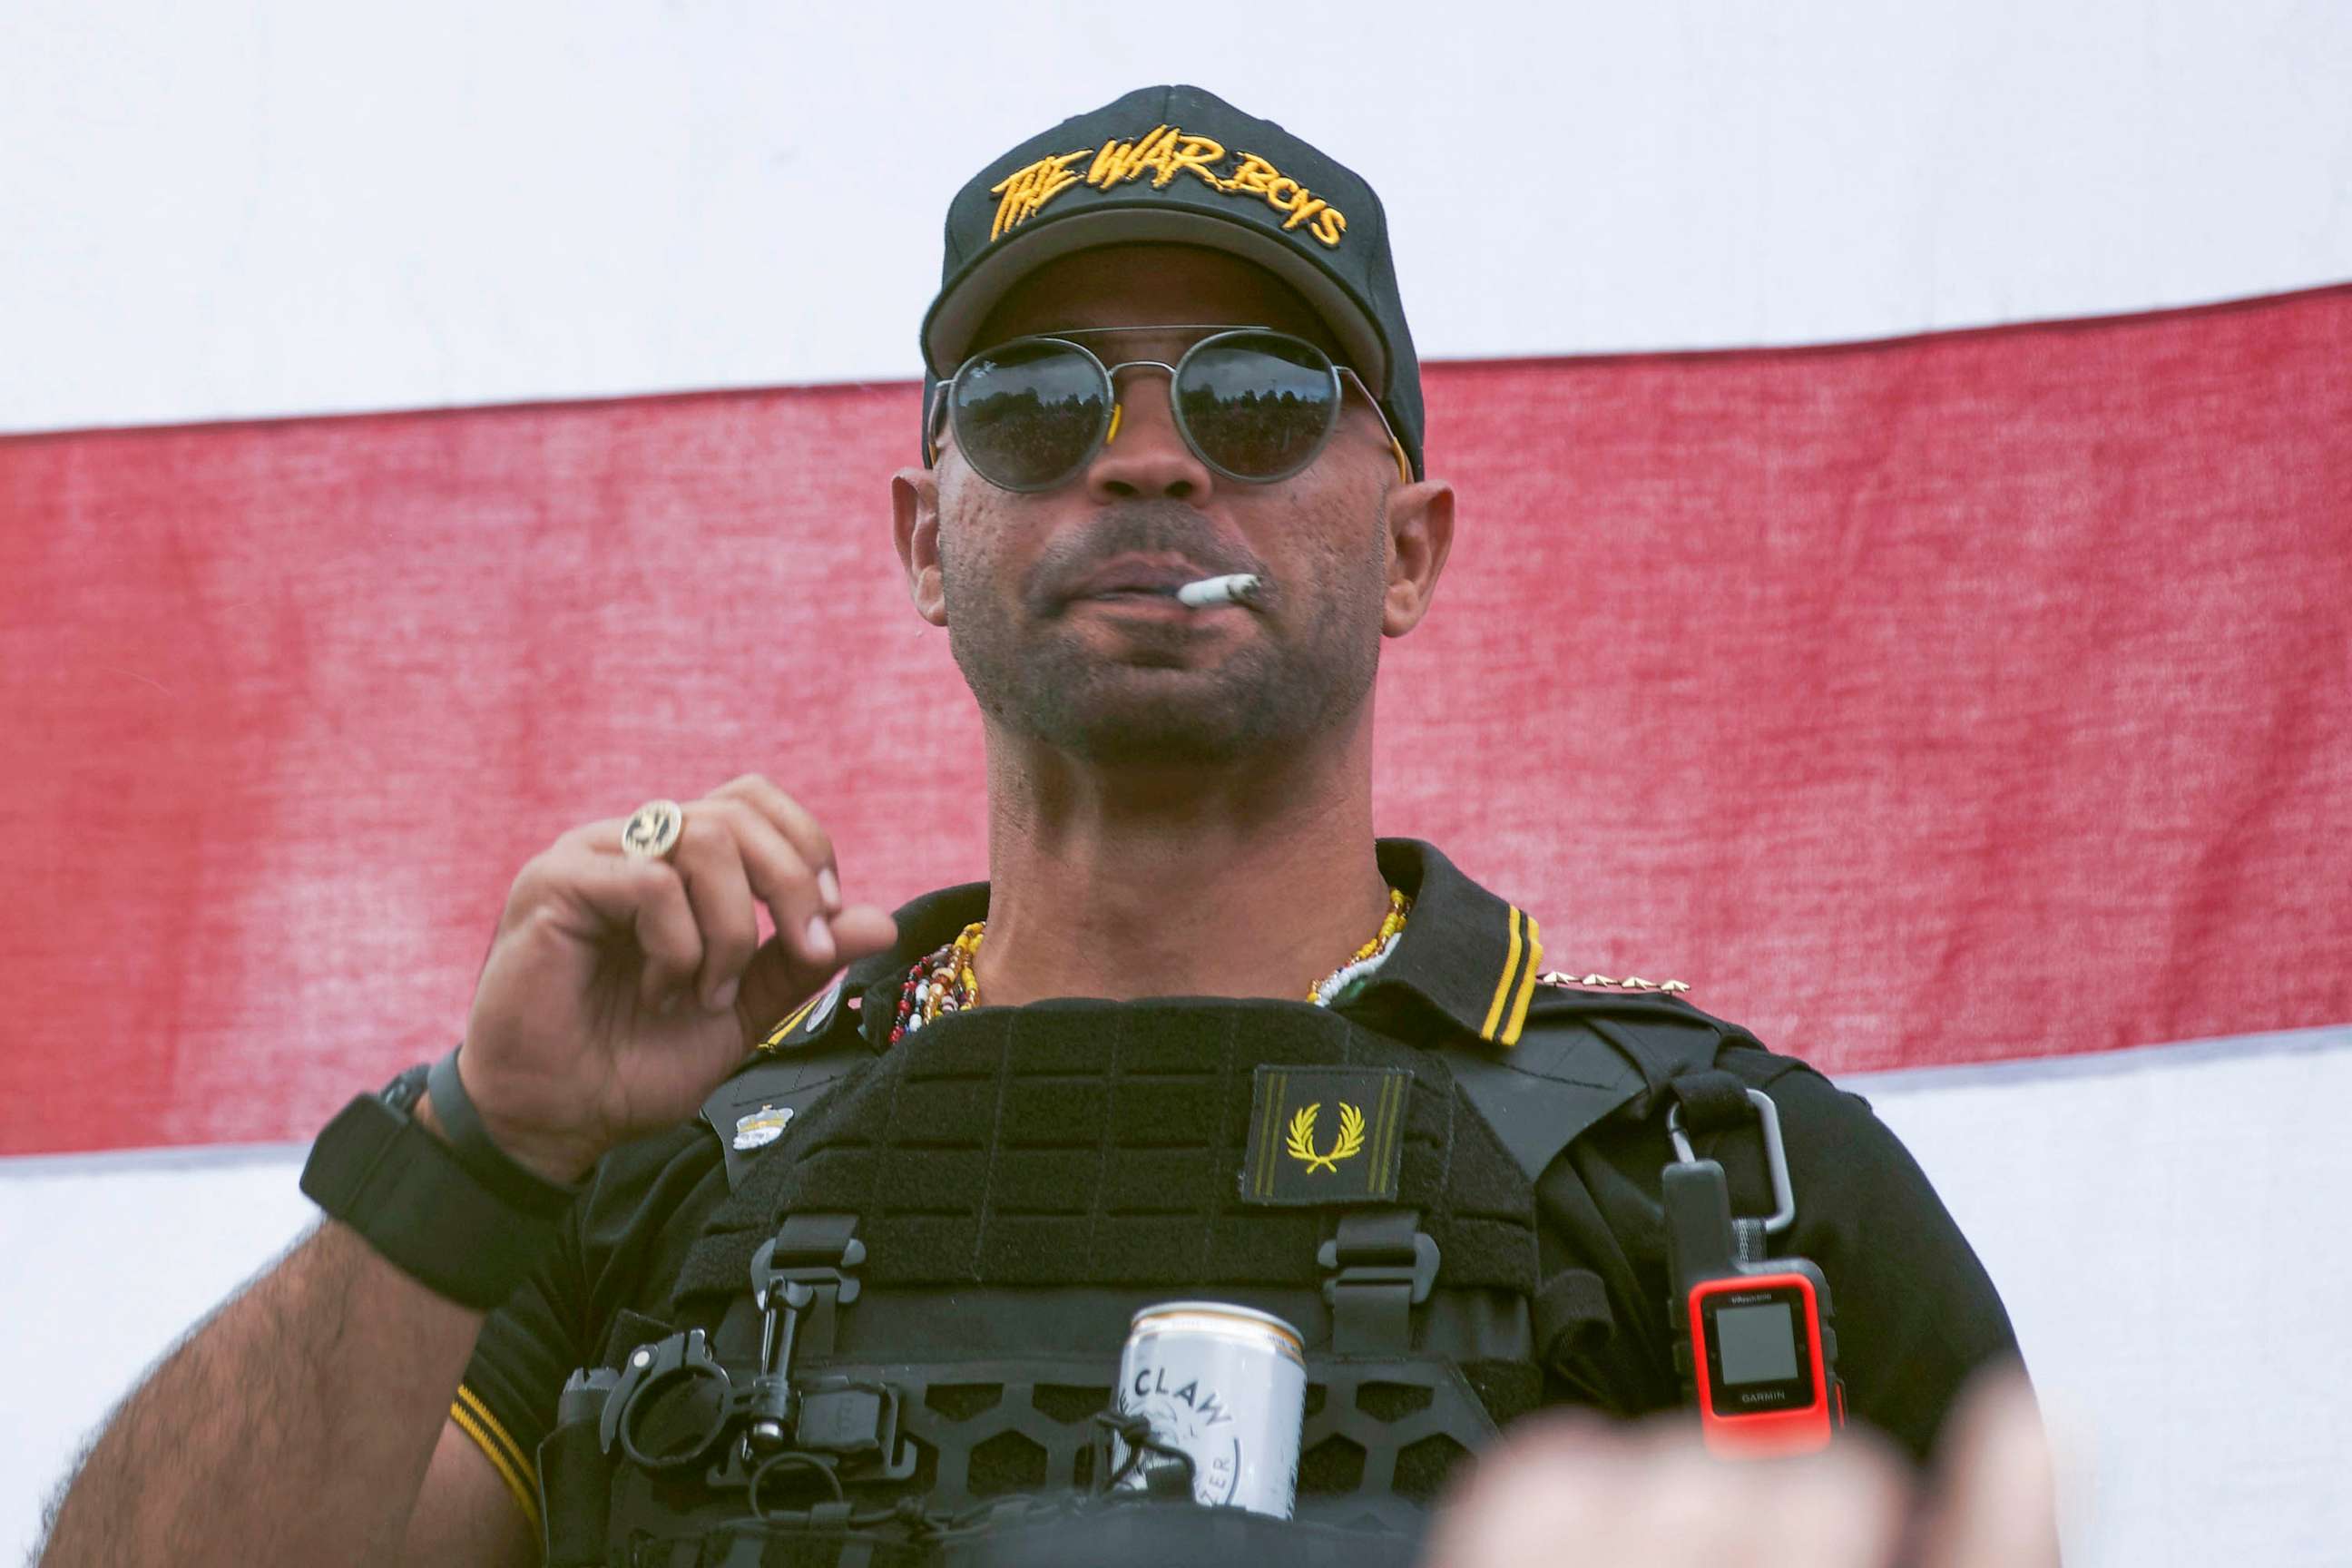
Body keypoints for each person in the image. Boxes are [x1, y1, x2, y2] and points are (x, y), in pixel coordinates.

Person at [36, 85, 2026, 1568]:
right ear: (929, 535)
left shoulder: (1722, 1182)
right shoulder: (646, 1177)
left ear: (1410, 548)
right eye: (1034, 404)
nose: (1145, 454)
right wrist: (486, 1145)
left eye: (1256, 397)